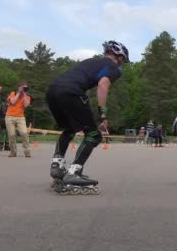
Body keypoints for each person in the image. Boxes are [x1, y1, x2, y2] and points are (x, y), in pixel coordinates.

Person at [47, 40, 129, 193]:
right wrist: (103, 115)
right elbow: (103, 84)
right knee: (93, 135)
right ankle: (74, 172)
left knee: (69, 129)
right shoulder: (115, 69)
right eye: (122, 60)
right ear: (119, 56)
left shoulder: (90, 60)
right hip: (71, 92)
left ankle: (57, 165)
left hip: (52, 90)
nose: (121, 64)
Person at [5, 82, 32, 158]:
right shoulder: (13, 93)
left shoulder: (27, 96)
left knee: (24, 133)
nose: (24, 89)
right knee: (11, 135)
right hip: (9, 116)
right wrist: (18, 93)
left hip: (20, 117)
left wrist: (24, 94)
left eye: (25, 88)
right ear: (19, 87)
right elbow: (12, 102)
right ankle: (13, 152)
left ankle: (27, 151)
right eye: (23, 87)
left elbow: (26, 105)